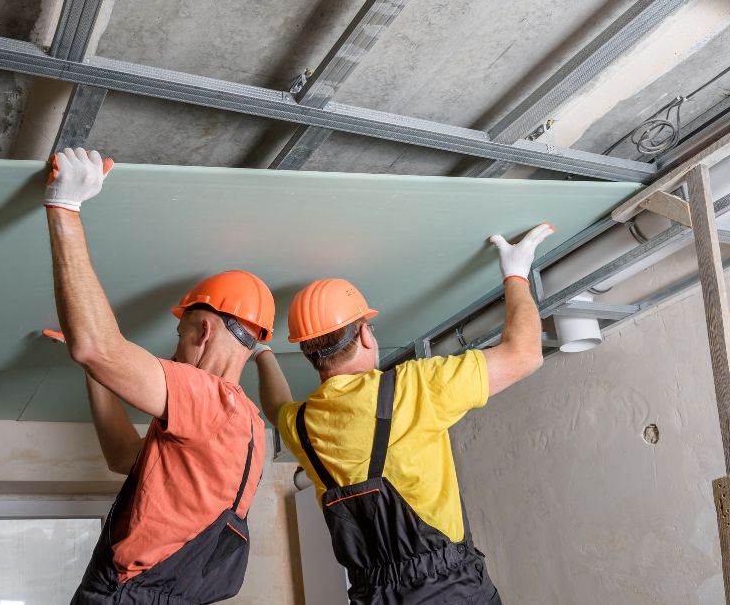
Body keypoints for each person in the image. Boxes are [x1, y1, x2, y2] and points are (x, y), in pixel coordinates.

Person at [256, 223, 554, 604]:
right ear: (365, 334)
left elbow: (276, 407)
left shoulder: (302, 425)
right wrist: (516, 274)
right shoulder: (411, 389)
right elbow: (525, 354)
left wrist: (261, 352)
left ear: (308, 354)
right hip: (448, 589)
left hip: (371, 595)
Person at [43, 147, 273, 604]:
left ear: (204, 332)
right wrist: (95, 368)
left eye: (180, 335)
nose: (173, 351)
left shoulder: (210, 398)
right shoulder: (246, 423)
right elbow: (123, 457)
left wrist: (64, 206)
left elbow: (95, 346)